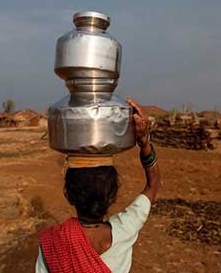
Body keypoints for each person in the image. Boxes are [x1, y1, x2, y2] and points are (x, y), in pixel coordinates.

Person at [35, 98, 161, 273]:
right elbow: (153, 185)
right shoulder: (125, 229)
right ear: (113, 195)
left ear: (68, 195)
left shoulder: (52, 245)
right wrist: (144, 142)